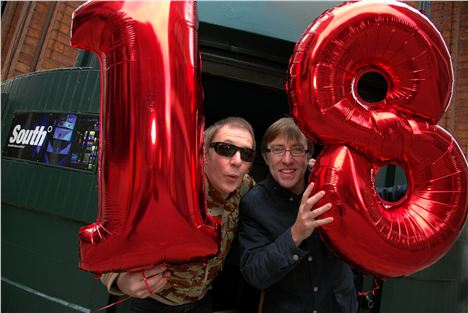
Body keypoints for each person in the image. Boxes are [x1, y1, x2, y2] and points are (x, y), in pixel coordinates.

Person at [101, 116, 256, 313]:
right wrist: (120, 280)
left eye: (246, 154)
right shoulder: (169, 188)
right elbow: (108, 238)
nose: (236, 161)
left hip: (201, 301)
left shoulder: (245, 187)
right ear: (204, 154)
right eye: (225, 149)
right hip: (155, 303)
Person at [238, 117, 358, 313]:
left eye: (296, 149)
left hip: (339, 306)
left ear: (308, 153)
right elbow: (254, 274)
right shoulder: (254, 204)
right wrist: (295, 234)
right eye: (277, 149)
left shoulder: (331, 184)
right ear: (266, 157)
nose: (287, 159)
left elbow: (377, 203)